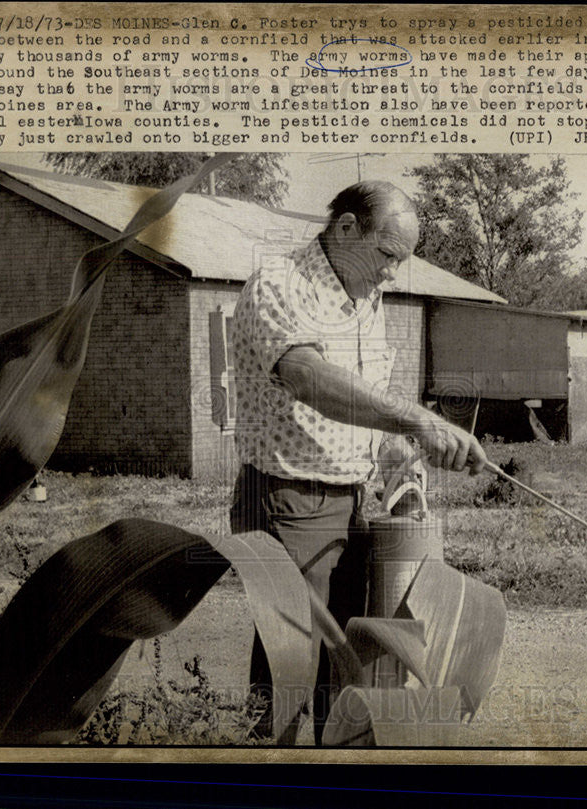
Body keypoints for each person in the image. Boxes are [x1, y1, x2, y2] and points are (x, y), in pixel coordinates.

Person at [229, 180, 488, 745]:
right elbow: (308, 379)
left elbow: (368, 410)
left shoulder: (367, 303)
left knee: (348, 666)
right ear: (346, 229)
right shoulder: (279, 285)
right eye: (388, 255)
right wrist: (416, 419)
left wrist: (406, 455)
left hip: (352, 503)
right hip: (287, 498)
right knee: (290, 668)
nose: (392, 272)